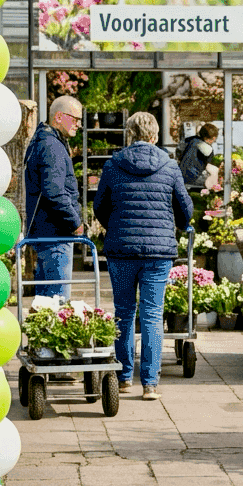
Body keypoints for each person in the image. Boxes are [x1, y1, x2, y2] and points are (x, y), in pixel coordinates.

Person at [95, 111, 193, 401]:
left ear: (129, 135)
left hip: (121, 249)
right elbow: (185, 208)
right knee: (152, 315)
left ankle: (124, 378)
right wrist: (170, 224)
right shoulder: (170, 165)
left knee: (124, 313)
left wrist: (116, 224)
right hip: (158, 251)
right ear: (155, 136)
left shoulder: (113, 165)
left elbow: (100, 206)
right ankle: (149, 384)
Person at [24, 95, 84, 300]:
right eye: (75, 118)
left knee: (45, 305)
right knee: (56, 304)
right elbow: (54, 192)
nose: (79, 124)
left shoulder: (44, 141)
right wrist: (75, 222)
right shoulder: (52, 146)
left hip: (46, 234)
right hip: (55, 236)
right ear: (59, 117)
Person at [176, 122, 219, 189]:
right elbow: (209, 165)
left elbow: (178, 153)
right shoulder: (208, 149)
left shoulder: (188, 140)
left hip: (179, 174)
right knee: (214, 180)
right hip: (193, 178)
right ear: (213, 138)